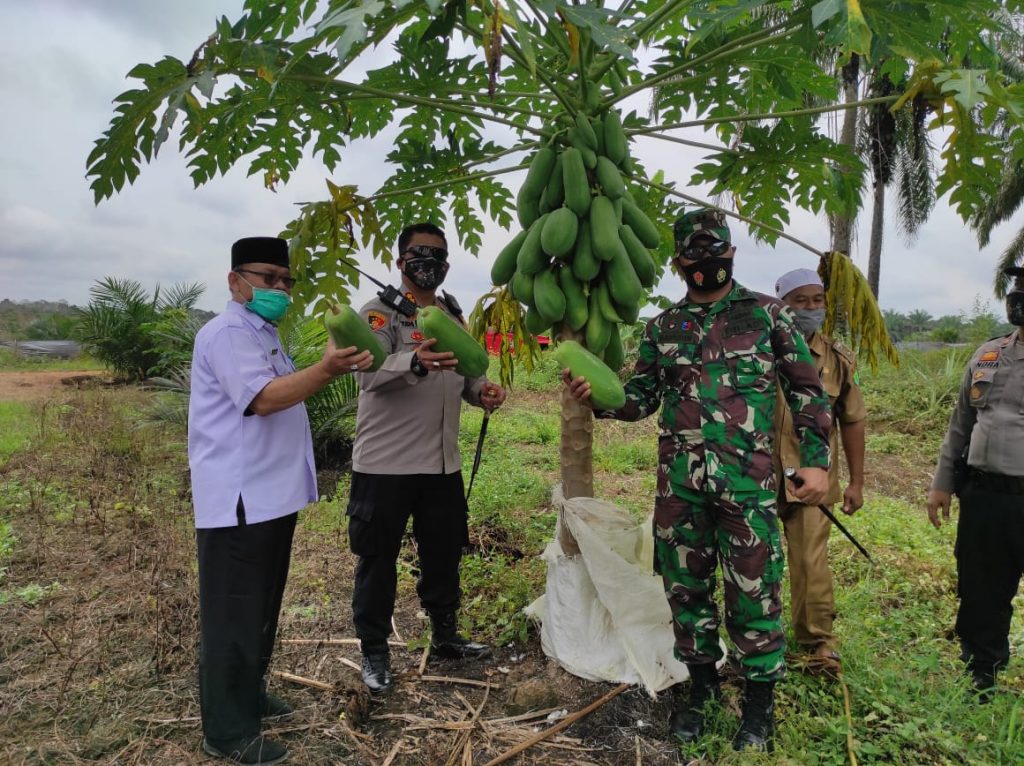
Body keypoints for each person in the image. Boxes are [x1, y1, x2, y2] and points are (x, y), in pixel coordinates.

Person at [564, 208, 832, 753]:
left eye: (716, 253)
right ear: (680, 262)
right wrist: (602, 401)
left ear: (731, 255)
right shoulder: (663, 327)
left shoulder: (767, 316)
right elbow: (639, 399)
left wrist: (818, 462)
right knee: (685, 590)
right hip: (681, 487)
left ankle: (759, 706)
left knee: (754, 592)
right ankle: (702, 688)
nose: (706, 262)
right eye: (695, 255)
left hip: (748, 484)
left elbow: (807, 391)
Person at [189, 236, 374, 765]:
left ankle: (249, 694)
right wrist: (328, 370)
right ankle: (226, 731)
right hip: (239, 498)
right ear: (235, 281)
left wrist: (320, 365)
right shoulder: (226, 333)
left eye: (285, 280)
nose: (279, 288)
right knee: (234, 613)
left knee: (261, 606)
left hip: (270, 498)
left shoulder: (261, 333)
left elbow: (282, 385)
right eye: (267, 278)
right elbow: (265, 399)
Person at [348, 222, 507, 695]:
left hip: (442, 464)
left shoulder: (452, 315)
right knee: (378, 560)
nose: (429, 262)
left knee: (443, 554)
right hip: (386, 465)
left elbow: (463, 375)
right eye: (419, 253)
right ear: (400, 262)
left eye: (437, 254)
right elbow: (367, 374)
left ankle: (445, 636)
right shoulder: (378, 315)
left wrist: (483, 391)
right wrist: (414, 362)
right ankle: (374, 651)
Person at [926, 265, 1024, 702]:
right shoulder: (989, 355)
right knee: (982, 587)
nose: (1020, 296)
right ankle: (982, 672)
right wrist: (941, 484)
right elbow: (960, 424)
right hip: (986, 496)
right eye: (1019, 288)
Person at [773, 268, 866, 677]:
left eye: (817, 300)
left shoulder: (837, 360)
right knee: (752, 561)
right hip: (754, 471)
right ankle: (754, 642)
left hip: (808, 475)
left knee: (811, 560)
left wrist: (856, 481)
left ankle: (817, 644)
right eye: (800, 300)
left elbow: (853, 420)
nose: (810, 308)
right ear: (782, 305)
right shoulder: (758, 349)